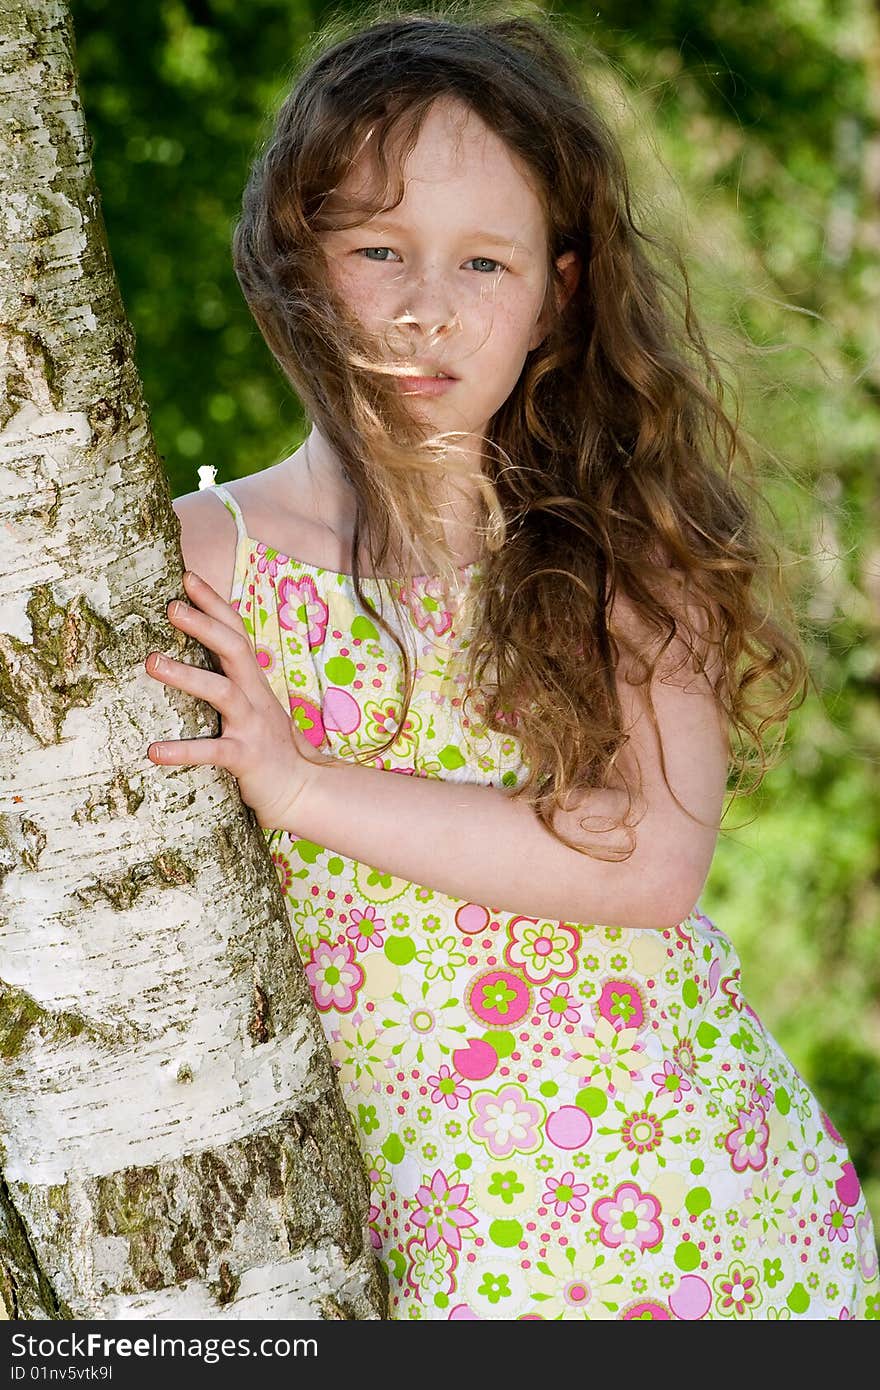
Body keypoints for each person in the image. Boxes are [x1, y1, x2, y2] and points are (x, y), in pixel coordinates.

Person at [144, 4, 879, 1319]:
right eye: (379, 248)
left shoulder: (627, 553)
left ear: (560, 291)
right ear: (293, 260)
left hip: (696, 1197)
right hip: (435, 1232)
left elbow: (653, 858)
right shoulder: (206, 557)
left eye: (485, 264)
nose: (428, 308)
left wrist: (300, 786)